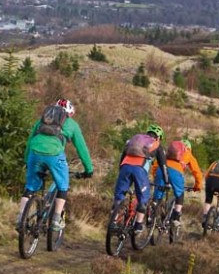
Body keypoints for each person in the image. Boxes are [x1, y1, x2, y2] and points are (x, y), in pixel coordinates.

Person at [16, 99, 94, 232]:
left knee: (30, 187)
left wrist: (27, 160)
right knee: (63, 185)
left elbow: (30, 140)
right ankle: (56, 220)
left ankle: (21, 219)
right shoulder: (72, 124)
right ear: (70, 113)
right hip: (54, 155)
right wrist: (89, 169)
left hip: (34, 153)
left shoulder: (42, 120)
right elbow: (82, 149)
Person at [113, 124, 169, 233]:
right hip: (140, 170)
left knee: (119, 196)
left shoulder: (135, 140)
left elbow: (123, 156)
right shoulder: (156, 144)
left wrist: (121, 171)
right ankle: (138, 225)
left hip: (125, 167)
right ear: (158, 137)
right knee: (144, 198)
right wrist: (167, 182)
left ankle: (113, 222)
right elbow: (163, 166)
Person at [151, 138, 203, 225]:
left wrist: (155, 175)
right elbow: (197, 172)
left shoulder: (169, 151)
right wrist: (198, 186)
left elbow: (156, 164)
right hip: (176, 173)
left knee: (158, 194)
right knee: (180, 193)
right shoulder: (188, 153)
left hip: (161, 170)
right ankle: (176, 217)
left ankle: (152, 215)